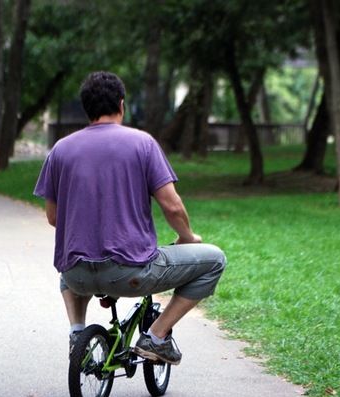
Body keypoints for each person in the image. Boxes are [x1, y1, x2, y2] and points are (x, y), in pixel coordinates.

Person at [33, 71, 226, 365]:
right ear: (121, 105)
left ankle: (77, 333)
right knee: (214, 260)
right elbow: (172, 208)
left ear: (87, 109)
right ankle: (157, 337)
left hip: (77, 277)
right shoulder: (143, 144)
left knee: (69, 261)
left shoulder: (60, 150)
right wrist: (187, 238)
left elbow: (53, 217)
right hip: (130, 273)